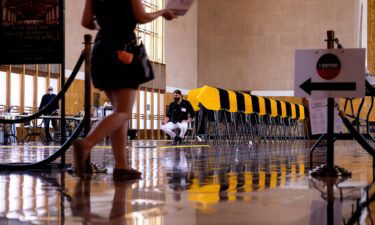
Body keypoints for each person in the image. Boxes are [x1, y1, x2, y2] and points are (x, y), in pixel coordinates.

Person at [74, 0, 177, 179]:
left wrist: (105, 23)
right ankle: (86, 144)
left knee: (118, 112)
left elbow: (86, 22)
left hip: (101, 51)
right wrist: (163, 12)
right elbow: (141, 16)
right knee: (124, 113)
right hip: (123, 51)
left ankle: (121, 166)